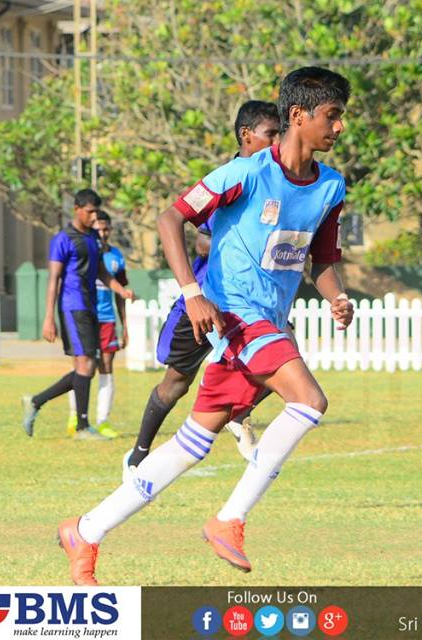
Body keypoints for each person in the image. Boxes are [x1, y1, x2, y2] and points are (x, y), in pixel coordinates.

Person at [58, 67, 353, 585]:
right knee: (309, 400)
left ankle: (86, 530)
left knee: (192, 445)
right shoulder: (242, 174)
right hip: (234, 315)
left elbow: (323, 259)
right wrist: (192, 293)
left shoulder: (331, 186)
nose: (339, 128)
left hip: (268, 322)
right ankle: (230, 519)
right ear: (299, 116)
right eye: (333, 116)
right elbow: (171, 219)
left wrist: (338, 297)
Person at [123, 100, 283, 477]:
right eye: (270, 134)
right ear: (247, 135)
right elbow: (199, 241)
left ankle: (238, 414)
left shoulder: (276, 179)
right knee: (176, 382)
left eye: (280, 134)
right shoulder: (230, 177)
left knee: (282, 360)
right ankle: (138, 454)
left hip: (248, 304)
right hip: (207, 299)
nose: (277, 142)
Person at [21, 189, 135, 439]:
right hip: (73, 306)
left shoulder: (94, 237)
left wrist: (121, 290)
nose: (93, 215)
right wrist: (48, 317)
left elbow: (102, 273)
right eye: (90, 211)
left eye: (96, 210)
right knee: (86, 365)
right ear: (77, 209)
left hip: (92, 306)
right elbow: (54, 279)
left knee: (87, 366)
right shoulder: (63, 239)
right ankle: (82, 426)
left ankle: (36, 401)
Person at [66, 211, 128, 439]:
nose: (103, 233)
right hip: (84, 316)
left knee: (106, 366)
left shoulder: (116, 256)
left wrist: (125, 327)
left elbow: (121, 292)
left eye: (106, 229)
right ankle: (75, 415)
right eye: (98, 229)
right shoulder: (84, 252)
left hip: (107, 319)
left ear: (110, 230)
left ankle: (103, 420)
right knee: (81, 365)